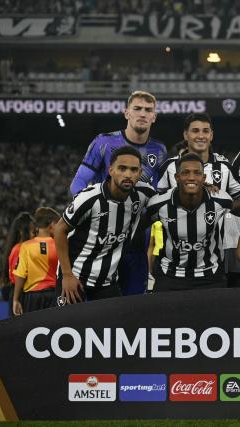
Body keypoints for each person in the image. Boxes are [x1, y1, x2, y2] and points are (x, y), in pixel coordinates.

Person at [69, 90, 167, 296]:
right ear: (126, 113)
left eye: (148, 110)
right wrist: (90, 212)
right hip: (101, 239)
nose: (142, 114)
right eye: (137, 109)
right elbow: (78, 182)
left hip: (136, 240)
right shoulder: (104, 142)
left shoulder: (159, 150)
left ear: (154, 117)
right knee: (93, 304)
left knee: (134, 305)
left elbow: (155, 195)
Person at [157, 113, 240, 287]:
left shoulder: (223, 167)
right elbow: (157, 202)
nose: (200, 135)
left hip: (220, 255)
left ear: (211, 135)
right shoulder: (170, 167)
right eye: (195, 131)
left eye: (205, 131)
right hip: (176, 259)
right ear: (186, 135)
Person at [54, 146, 155, 304]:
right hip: (75, 277)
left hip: (107, 282)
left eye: (134, 170)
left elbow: (165, 207)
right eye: (122, 168)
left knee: (113, 327)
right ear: (111, 170)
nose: (128, 174)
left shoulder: (145, 194)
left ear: (140, 173)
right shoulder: (90, 198)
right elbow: (60, 229)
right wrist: (66, 275)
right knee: (67, 327)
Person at [146, 153, 240, 291]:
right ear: (177, 177)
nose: (191, 177)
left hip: (210, 277)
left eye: (197, 173)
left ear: (204, 178)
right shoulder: (158, 204)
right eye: (185, 173)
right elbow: (140, 231)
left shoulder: (221, 200)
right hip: (170, 277)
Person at [12, 207, 60, 315]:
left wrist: (16, 299)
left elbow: (20, 275)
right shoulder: (60, 245)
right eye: (58, 223)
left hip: (32, 297)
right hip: (55, 295)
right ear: (51, 225)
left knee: (33, 330)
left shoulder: (26, 246)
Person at [0, 212, 34, 314]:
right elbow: (18, 276)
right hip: (20, 295)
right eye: (32, 230)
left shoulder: (27, 247)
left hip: (25, 293)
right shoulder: (19, 249)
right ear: (21, 232)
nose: (34, 233)